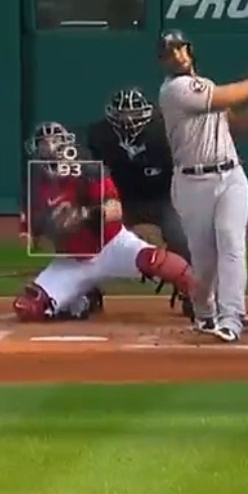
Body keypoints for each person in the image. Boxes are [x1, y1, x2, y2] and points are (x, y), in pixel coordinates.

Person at [156, 30, 248, 343]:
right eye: (170, 53)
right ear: (162, 61)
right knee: (204, 260)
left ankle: (232, 317)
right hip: (192, 182)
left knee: (231, 242)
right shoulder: (175, 90)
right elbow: (225, 96)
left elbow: (236, 127)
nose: (178, 56)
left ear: (190, 51)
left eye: (181, 49)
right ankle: (205, 313)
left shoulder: (204, 85)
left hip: (231, 177)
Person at [12, 120, 198, 322]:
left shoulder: (89, 173)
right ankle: (82, 299)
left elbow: (115, 210)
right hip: (74, 259)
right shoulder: (35, 187)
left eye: (55, 143)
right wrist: (47, 228)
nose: (50, 150)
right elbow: (29, 237)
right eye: (44, 145)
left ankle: (201, 301)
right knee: (28, 308)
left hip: (113, 245)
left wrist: (83, 216)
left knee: (162, 263)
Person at [86, 88, 195, 321]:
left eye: (133, 114)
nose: (127, 120)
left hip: (161, 197)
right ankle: (87, 290)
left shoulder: (163, 133)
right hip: (120, 200)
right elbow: (91, 175)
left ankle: (192, 292)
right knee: (90, 234)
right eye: (122, 114)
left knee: (183, 236)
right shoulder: (99, 135)